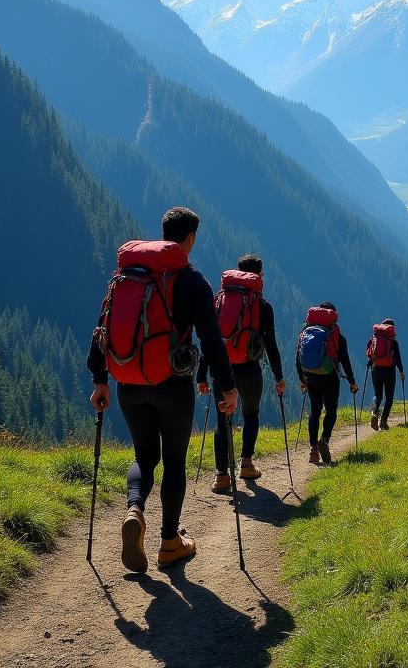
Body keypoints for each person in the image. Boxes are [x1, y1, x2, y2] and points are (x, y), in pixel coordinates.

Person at [89, 207, 238, 573]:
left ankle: (135, 511)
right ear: (189, 239)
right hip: (172, 386)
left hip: (129, 385)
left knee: (144, 458)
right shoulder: (190, 281)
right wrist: (227, 388)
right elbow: (213, 341)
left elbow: (103, 327)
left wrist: (100, 379)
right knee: (173, 461)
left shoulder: (128, 276)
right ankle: (170, 542)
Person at [197, 253, 285, 491]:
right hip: (250, 370)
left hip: (222, 370)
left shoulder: (220, 300)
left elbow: (210, 340)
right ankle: (246, 463)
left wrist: (201, 374)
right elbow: (271, 345)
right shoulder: (263, 306)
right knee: (251, 415)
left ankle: (221, 475)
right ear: (260, 275)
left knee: (222, 420)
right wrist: (279, 377)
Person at [296, 302, 357, 465]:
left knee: (314, 412)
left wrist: (302, 379)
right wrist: (352, 382)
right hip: (330, 378)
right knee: (331, 411)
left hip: (310, 377)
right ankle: (324, 439)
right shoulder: (336, 335)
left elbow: (298, 357)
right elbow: (345, 360)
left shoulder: (305, 332)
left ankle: (313, 450)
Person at [365, 318, 404, 431]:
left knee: (377, 395)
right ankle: (383, 422)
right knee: (389, 397)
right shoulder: (393, 342)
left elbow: (370, 354)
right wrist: (401, 372)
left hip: (376, 369)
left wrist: (369, 364)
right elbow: (397, 359)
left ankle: (374, 412)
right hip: (389, 371)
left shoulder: (374, 339)